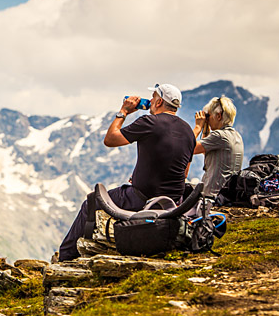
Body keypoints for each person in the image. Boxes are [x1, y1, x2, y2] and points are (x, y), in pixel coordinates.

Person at [58, 84, 196, 261]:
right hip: (173, 202)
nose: (150, 101)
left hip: (142, 197)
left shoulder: (149, 122)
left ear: (160, 101)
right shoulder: (188, 131)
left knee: (90, 203)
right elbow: (184, 173)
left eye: (153, 97)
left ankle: (67, 258)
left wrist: (123, 111)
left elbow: (110, 139)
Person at [192, 96, 244, 198]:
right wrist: (206, 127)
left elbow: (188, 148)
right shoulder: (236, 135)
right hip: (225, 194)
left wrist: (198, 127)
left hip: (212, 195)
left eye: (209, 116)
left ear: (218, 116)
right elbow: (205, 150)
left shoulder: (219, 136)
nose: (208, 119)